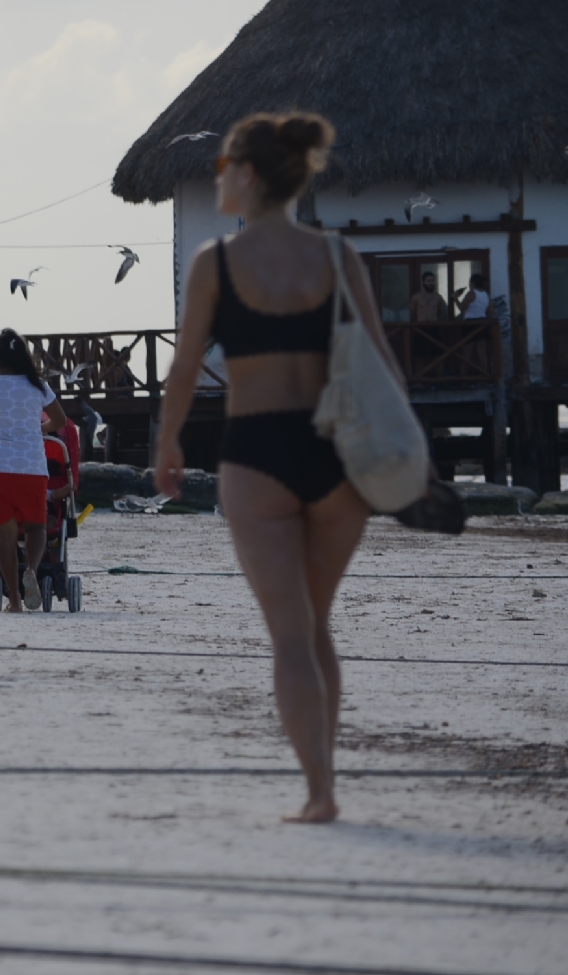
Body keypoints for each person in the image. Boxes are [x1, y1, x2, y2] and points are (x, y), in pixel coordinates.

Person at [154, 112, 399, 825]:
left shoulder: (216, 263)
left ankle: (319, 789)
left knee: (290, 634)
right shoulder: (338, 256)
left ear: (250, 173)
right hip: (334, 453)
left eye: (224, 165)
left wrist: (167, 444)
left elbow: (183, 367)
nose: (217, 177)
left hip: (256, 453)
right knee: (317, 623)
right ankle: (324, 783)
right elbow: (382, 363)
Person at [0, 329, 68, 614]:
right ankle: (32, 570)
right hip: (30, 466)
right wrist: (39, 428)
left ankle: (14, 600)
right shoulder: (38, 387)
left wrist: (2, 429)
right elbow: (60, 420)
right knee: (36, 527)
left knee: (5, 533)